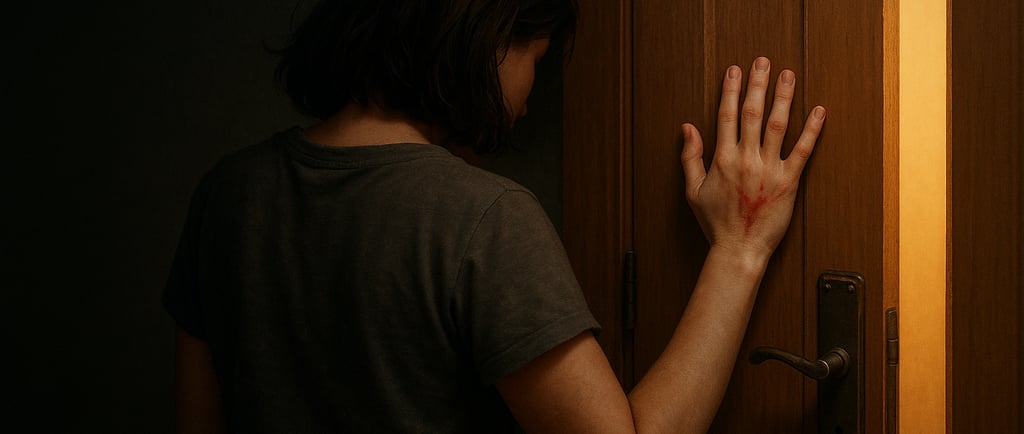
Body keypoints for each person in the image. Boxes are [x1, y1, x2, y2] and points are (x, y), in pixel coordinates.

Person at [164, 0, 826, 432]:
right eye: (537, 60)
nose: (530, 99)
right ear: (488, 39)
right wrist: (739, 247)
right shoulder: (483, 218)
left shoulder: (228, 193)